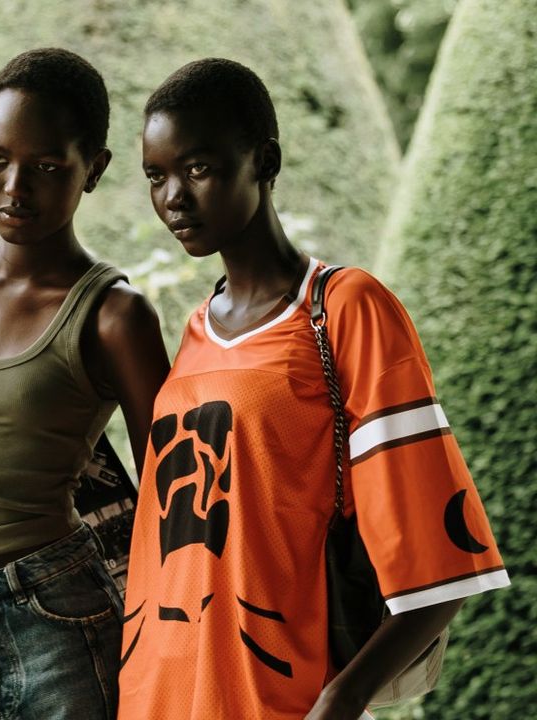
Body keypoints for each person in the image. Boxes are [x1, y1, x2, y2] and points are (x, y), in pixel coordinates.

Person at [118, 57, 510, 719]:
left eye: (199, 167)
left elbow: (444, 560)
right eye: (156, 176)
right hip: (153, 695)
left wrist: (343, 696)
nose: (173, 198)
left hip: (272, 697)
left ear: (264, 160)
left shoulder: (347, 309)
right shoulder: (193, 332)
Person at [0, 48, 172, 719]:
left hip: (54, 620)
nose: (15, 187)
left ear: (94, 170)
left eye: (46, 167)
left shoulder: (114, 316)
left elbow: (172, 501)